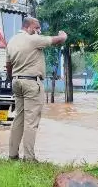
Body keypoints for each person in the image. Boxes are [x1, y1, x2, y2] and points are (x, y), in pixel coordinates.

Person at [4, 17, 67, 162]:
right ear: (30, 27)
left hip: (16, 81)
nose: (39, 30)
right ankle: (29, 158)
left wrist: (13, 78)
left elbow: (8, 65)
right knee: (31, 122)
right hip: (31, 83)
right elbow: (56, 40)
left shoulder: (12, 40)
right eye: (37, 27)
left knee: (18, 119)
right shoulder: (33, 39)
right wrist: (63, 36)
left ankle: (12, 155)